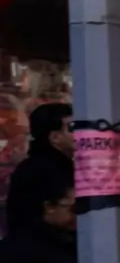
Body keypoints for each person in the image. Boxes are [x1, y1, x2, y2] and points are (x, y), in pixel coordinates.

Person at [6, 102, 74, 238]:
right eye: (72, 128)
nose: (81, 133)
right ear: (55, 137)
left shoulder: (36, 165)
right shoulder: (49, 170)